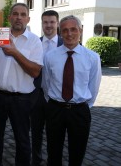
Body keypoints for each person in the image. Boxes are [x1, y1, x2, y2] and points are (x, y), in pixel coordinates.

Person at [0, 3, 43, 166]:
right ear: (9, 18)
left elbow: (35, 72)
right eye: (15, 14)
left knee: (22, 140)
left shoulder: (34, 41)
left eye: (22, 14)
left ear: (28, 19)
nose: (18, 17)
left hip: (21, 99)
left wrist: (15, 52)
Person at [42, 15, 101, 166]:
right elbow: (46, 83)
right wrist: (54, 102)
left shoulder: (92, 58)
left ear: (80, 30)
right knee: (53, 152)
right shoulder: (50, 56)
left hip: (79, 110)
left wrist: (84, 105)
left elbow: (94, 86)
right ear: (60, 32)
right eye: (65, 30)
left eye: (73, 29)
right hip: (55, 109)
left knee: (77, 153)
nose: (69, 34)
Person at [30, 10, 63, 166]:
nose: (48, 25)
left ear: (57, 23)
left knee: (55, 133)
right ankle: (36, 160)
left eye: (52, 22)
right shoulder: (35, 42)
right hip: (36, 95)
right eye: (45, 22)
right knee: (36, 132)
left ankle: (53, 161)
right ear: (42, 24)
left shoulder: (66, 43)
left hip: (57, 98)